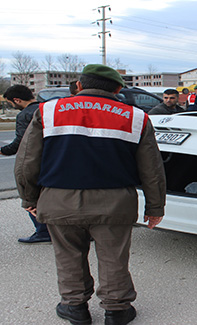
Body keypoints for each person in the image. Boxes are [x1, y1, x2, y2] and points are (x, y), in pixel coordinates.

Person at [14, 64, 166, 325]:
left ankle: (74, 308)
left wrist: (29, 198)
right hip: (115, 202)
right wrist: (154, 208)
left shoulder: (47, 111)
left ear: (80, 86)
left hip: (59, 199)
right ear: (119, 89)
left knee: (68, 255)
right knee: (114, 257)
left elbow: (27, 160)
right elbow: (152, 169)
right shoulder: (137, 117)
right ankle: (117, 310)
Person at [2, 85, 51, 244]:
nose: (11, 106)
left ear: (17, 100)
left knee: (30, 195)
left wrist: (3, 150)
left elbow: (22, 143)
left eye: (10, 103)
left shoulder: (25, 115)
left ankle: (43, 231)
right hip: (52, 160)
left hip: (35, 161)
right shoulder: (47, 108)